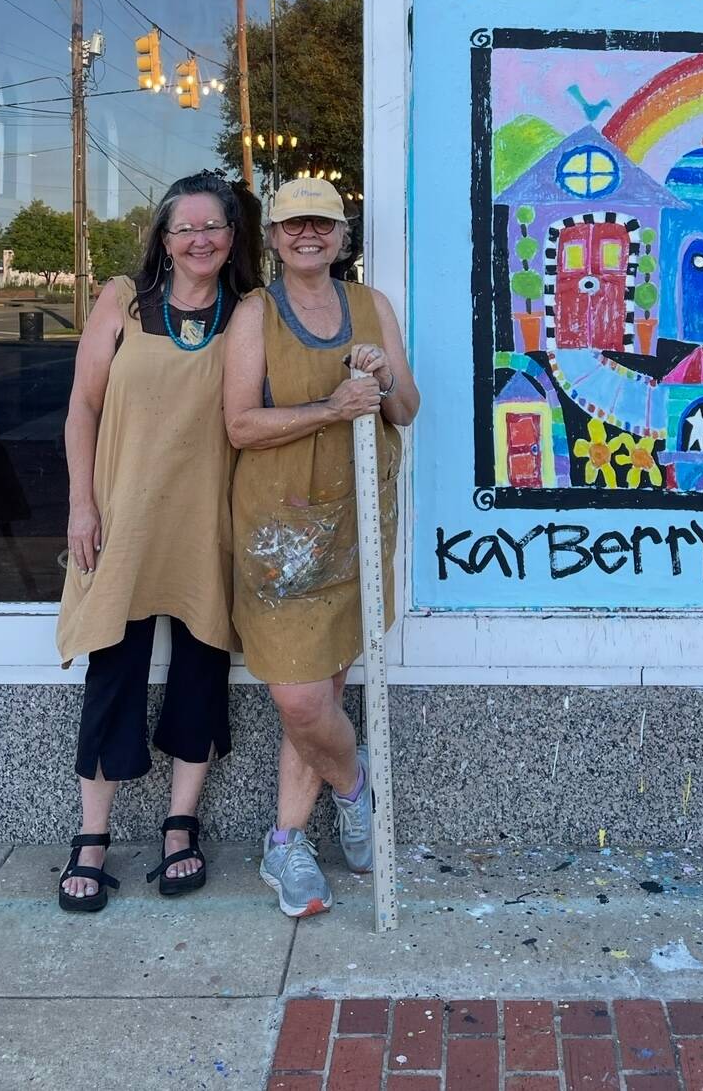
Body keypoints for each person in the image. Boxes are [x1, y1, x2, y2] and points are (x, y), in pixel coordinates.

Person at [54, 170, 262, 913]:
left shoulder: (247, 315)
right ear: (164, 240)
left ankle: (181, 825)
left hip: (208, 521)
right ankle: (92, 836)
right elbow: (82, 408)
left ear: (233, 238)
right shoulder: (121, 302)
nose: (201, 238)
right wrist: (81, 504)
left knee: (203, 667)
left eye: (215, 226)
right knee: (114, 664)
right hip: (123, 518)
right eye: (186, 228)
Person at [223, 178, 419, 918]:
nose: (310, 234)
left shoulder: (371, 308)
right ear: (272, 238)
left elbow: (405, 409)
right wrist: (329, 408)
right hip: (277, 533)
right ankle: (353, 784)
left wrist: (381, 376)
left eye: (324, 224)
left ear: (343, 237)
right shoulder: (253, 314)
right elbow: (239, 425)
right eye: (294, 224)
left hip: (355, 522)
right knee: (300, 698)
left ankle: (285, 843)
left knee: (325, 690)